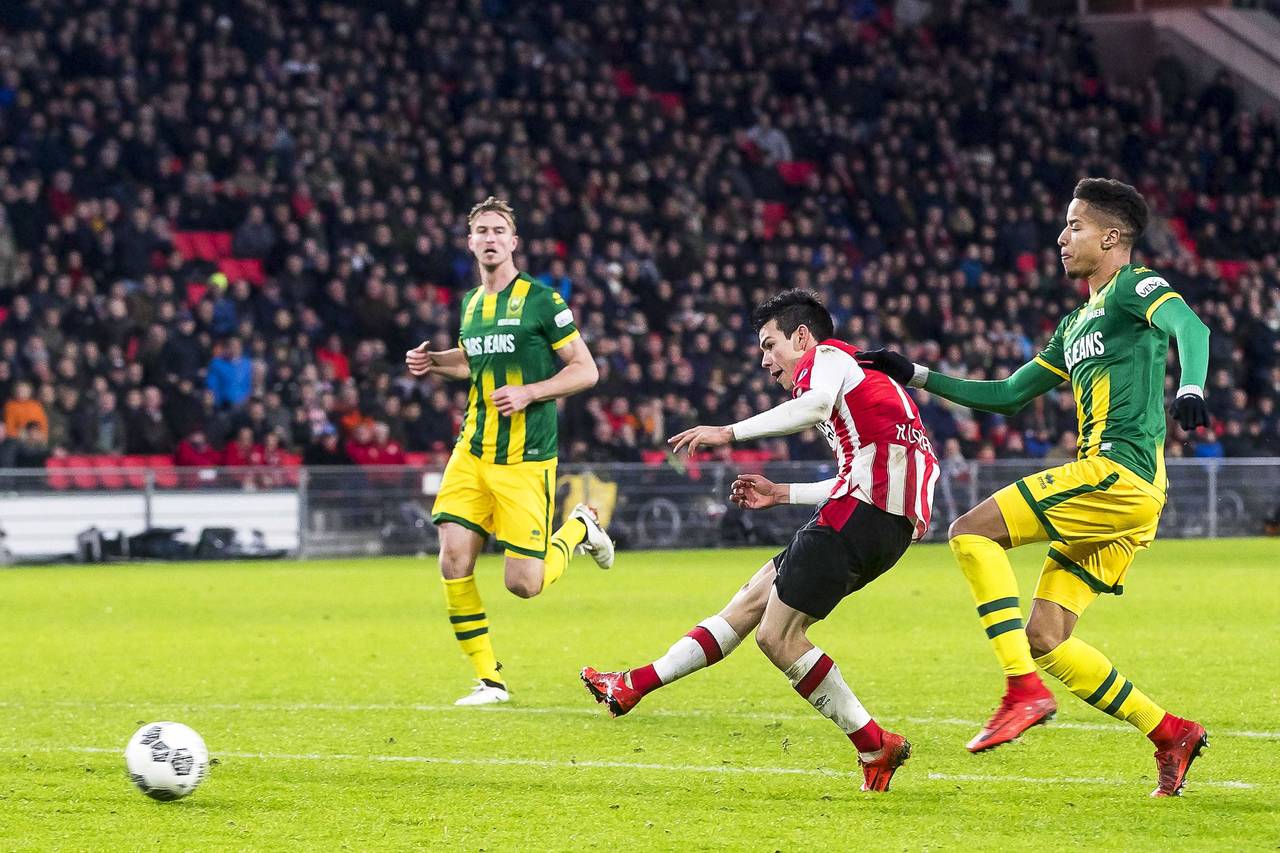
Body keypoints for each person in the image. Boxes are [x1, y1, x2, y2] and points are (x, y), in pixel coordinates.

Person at [858, 178, 1212, 797]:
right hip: (1122, 499)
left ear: (1111, 237)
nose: (1061, 237)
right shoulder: (1073, 325)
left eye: (1075, 226)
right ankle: (1171, 733)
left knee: (970, 533)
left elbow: (1193, 328)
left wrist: (1191, 387)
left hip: (1116, 474)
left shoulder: (1136, 287)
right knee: (1047, 638)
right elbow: (1007, 395)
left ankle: (1021, 689)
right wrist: (914, 374)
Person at [581, 290, 938, 792]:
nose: (766, 362)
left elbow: (816, 409)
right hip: (881, 522)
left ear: (802, 337)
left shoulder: (828, 358)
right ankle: (632, 685)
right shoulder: (861, 387)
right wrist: (782, 493)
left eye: (771, 346)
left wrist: (728, 432)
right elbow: (857, 474)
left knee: (778, 637)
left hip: (862, 515)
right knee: (751, 600)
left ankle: (874, 743)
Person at [405, 197, 614, 707]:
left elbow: (585, 370)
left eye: (499, 230)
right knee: (453, 560)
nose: (491, 238)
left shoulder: (542, 301)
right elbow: (473, 362)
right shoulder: (471, 304)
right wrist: (435, 363)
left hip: (525, 458)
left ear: (514, 241)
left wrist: (530, 392)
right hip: (472, 450)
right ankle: (490, 681)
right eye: (482, 230)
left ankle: (580, 528)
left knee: (524, 584)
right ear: (470, 242)